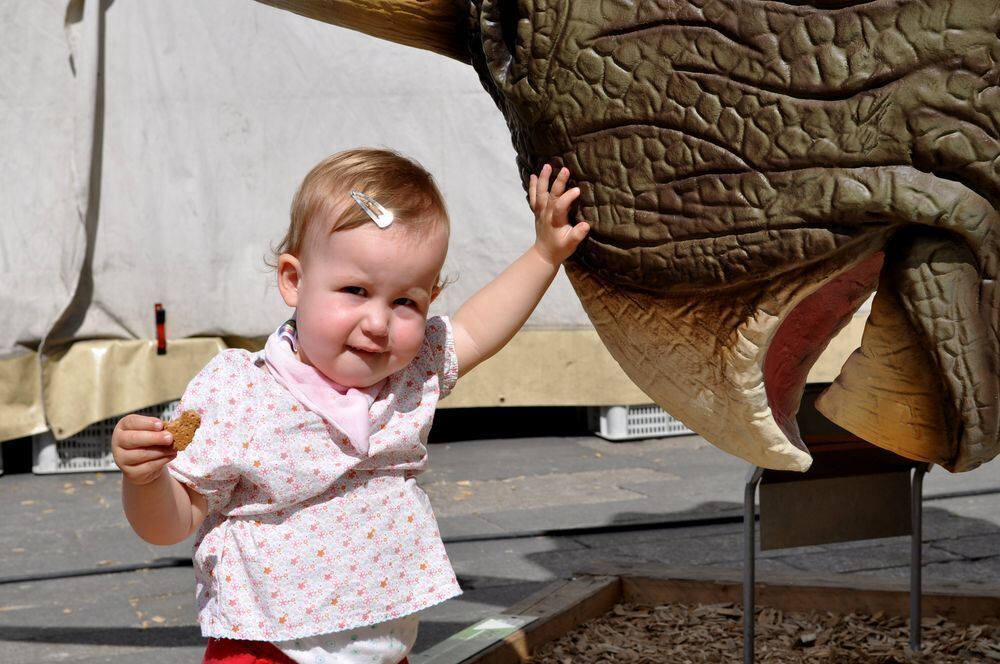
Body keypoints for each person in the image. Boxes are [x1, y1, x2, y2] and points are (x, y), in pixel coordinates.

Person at [111, 147, 590, 664]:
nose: (378, 323)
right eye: (355, 290)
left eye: (405, 301)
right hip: (266, 647)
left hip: (382, 647)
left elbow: (475, 329)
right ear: (294, 281)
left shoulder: (409, 375)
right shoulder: (241, 392)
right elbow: (171, 523)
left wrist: (544, 255)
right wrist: (145, 480)